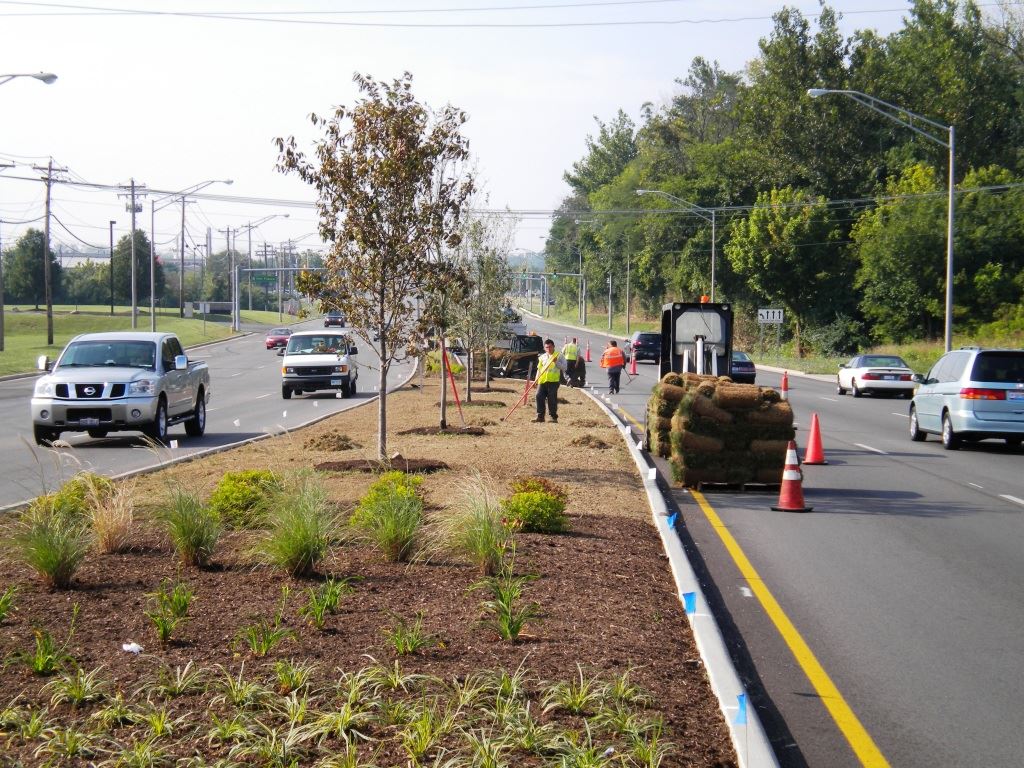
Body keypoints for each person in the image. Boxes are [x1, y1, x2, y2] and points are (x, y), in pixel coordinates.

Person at [533, 338, 567, 423]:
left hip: (553, 381)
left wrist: (556, 362)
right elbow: (539, 369)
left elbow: (564, 368)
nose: (548, 349)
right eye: (547, 347)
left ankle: (553, 417)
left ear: (554, 346)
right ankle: (540, 417)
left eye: (550, 347)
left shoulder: (559, 355)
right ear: (544, 348)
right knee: (538, 396)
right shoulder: (542, 357)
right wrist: (536, 380)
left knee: (551, 398)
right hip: (542, 381)